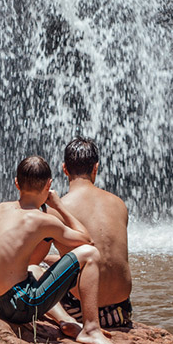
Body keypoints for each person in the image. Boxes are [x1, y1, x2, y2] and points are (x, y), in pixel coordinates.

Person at [0, 156, 125, 344]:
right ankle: (91, 330)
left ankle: (66, 321)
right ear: (49, 185)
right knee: (90, 254)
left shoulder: (0, 208)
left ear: (16, 182)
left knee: (34, 269)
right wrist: (59, 206)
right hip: (20, 307)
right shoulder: (43, 220)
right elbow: (86, 240)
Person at [58, 138, 134, 328]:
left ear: (64, 169)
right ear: (96, 168)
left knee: (33, 271)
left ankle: (66, 322)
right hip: (120, 312)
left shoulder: (59, 208)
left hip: (79, 312)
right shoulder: (119, 204)